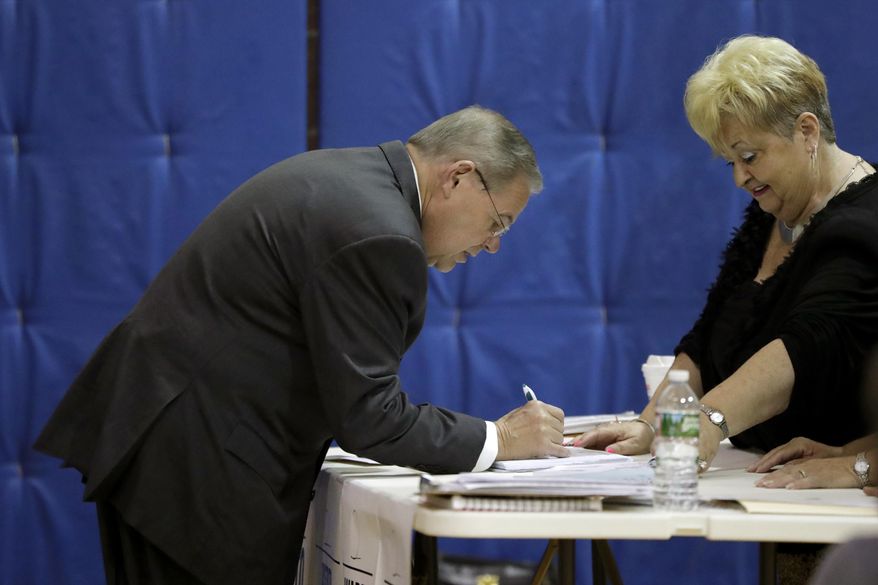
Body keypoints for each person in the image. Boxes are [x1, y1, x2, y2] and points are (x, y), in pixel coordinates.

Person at [34, 105, 568, 585]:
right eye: (498, 222)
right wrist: (498, 438)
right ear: (459, 177)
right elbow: (371, 418)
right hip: (193, 465)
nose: (493, 244)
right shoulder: (380, 232)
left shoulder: (356, 181)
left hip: (173, 436)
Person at [574, 35, 878, 474]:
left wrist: (708, 421)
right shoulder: (771, 211)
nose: (740, 178)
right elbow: (708, 334)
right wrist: (653, 424)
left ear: (806, 131)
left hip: (838, 503)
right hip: (760, 481)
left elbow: (807, 344)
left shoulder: (865, 222)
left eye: (750, 156)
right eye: (729, 161)